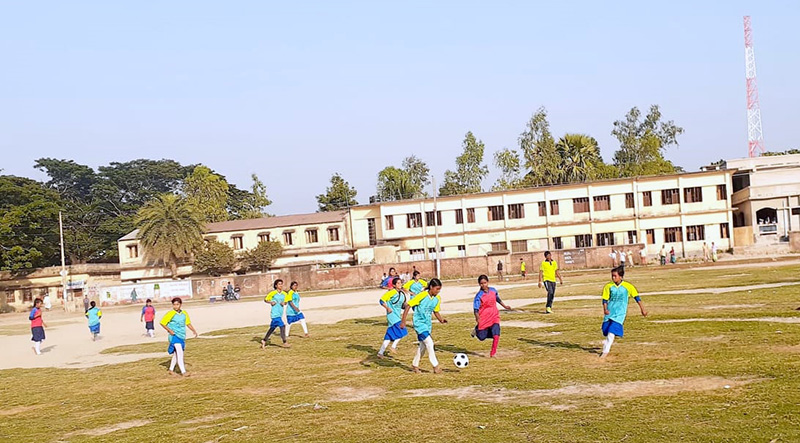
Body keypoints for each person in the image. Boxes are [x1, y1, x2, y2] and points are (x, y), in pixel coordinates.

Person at [401, 279, 447, 374]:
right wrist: (403, 321)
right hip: (419, 324)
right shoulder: (422, 295)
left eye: (439, 290)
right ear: (431, 287)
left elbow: (436, 311)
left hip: (427, 325)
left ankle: (415, 365)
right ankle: (435, 366)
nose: (438, 291)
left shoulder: (437, 299)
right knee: (430, 343)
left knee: (423, 346)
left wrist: (441, 320)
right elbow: (409, 305)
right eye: (437, 289)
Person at [600, 266, 647, 358]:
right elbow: (605, 300)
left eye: (615, 276)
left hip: (620, 313)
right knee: (606, 329)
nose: (613, 278)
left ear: (621, 276)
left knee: (612, 331)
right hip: (610, 312)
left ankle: (605, 352)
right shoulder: (608, 286)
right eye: (612, 276)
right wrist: (605, 309)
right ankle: (608, 341)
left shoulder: (628, 286)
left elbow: (637, 298)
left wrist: (642, 309)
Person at [471, 275, 512, 357]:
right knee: (482, 337)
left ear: (488, 282)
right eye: (481, 284)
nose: (483, 285)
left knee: (496, 334)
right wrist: (477, 318)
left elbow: (497, 299)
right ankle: (476, 330)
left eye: (485, 283)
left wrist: (505, 306)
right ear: (479, 284)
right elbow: (476, 309)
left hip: (494, 315)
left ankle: (493, 353)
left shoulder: (493, 290)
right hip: (484, 317)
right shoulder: (479, 295)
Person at [160, 297, 198, 376]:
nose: (176, 306)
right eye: (174, 305)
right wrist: (170, 330)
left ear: (180, 305)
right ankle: (183, 372)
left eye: (177, 304)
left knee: (176, 354)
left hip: (181, 336)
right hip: (174, 336)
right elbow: (162, 323)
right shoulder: (171, 313)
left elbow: (187, 323)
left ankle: (171, 369)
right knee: (180, 353)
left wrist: (193, 330)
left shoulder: (184, 313)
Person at [377, 277, 408, 358]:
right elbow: (381, 300)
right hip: (391, 315)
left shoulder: (401, 293)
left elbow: (401, 305)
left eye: (400, 283)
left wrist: (408, 305)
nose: (400, 285)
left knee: (389, 336)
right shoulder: (391, 292)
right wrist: (387, 308)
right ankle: (393, 346)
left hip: (397, 315)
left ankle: (380, 353)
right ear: (394, 285)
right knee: (403, 330)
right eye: (398, 283)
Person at [261, 279, 290, 349]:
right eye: (279, 284)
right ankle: (284, 342)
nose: (281, 285)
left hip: (280, 313)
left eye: (281, 284)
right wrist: (270, 302)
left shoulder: (284, 294)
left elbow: (286, 301)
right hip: (274, 314)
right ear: (276, 285)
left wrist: (284, 303)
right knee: (282, 326)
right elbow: (265, 299)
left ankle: (264, 340)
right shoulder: (273, 293)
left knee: (272, 328)